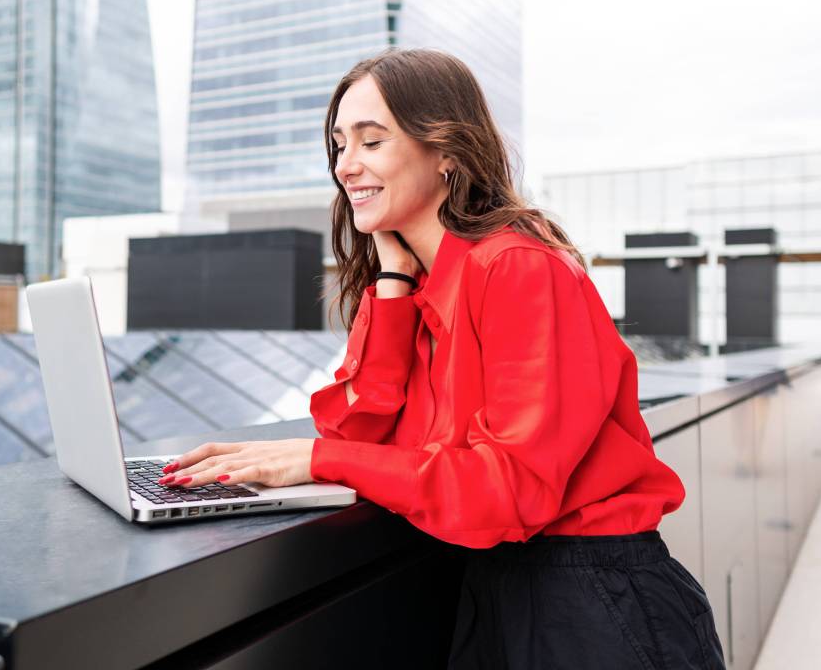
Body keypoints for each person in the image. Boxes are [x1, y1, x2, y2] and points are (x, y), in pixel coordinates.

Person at [160, 48, 726, 669]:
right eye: (339, 144)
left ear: (448, 152)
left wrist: (317, 458)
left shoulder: (517, 268)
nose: (347, 165)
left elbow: (508, 489)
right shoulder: (422, 282)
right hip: (495, 586)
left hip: (592, 600)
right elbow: (358, 426)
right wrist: (394, 285)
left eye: (372, 142)